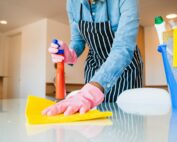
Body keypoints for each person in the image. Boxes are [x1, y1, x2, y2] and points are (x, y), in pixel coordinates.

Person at [42, 0, 143, 116]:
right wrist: (70, 54)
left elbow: (123, 47)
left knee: (124, 120)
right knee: (94, 121)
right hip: (94, 66)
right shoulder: (72, 3)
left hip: (126, 70)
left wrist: (89, 93)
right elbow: (78, 40)